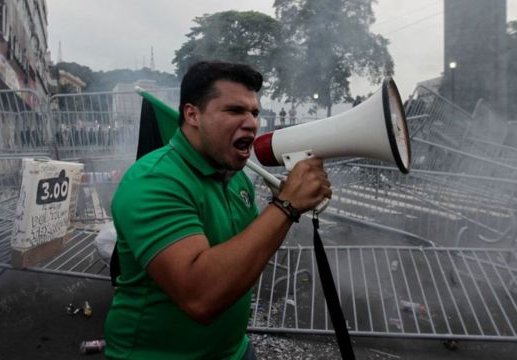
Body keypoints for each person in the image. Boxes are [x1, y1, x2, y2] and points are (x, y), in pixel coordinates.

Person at [103, 61, 331, 360]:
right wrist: (285, 207)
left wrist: (286, 206)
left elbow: (242, 254)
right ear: (192, 114)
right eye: (235, 111)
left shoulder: (235, 177)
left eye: (254, 112)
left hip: (233, 351)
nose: (251, 122)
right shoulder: (154, 181)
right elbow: (201, 297)